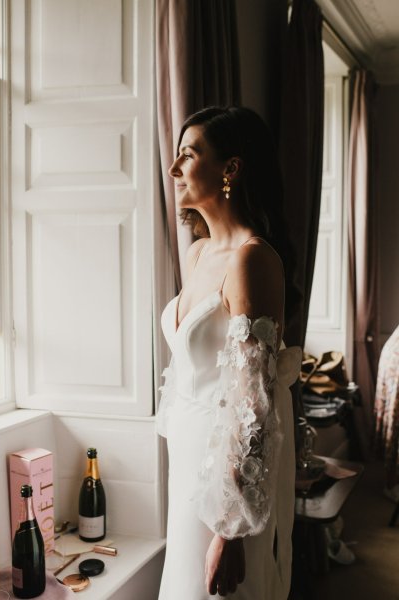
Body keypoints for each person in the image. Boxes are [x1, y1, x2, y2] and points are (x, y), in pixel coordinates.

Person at [156, 106, 302, 599]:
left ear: (230, 169)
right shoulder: (198, 253)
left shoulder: (252, 260)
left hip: (228, 474)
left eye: (188, 155)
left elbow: (252, 407)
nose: (174, 169)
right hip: (187, 461)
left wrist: (231, 527)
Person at [375, 325, 399, 502]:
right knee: (395, 424)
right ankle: (391, 485)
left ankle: (391, 483)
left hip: (393, 360)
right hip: (395, 365)